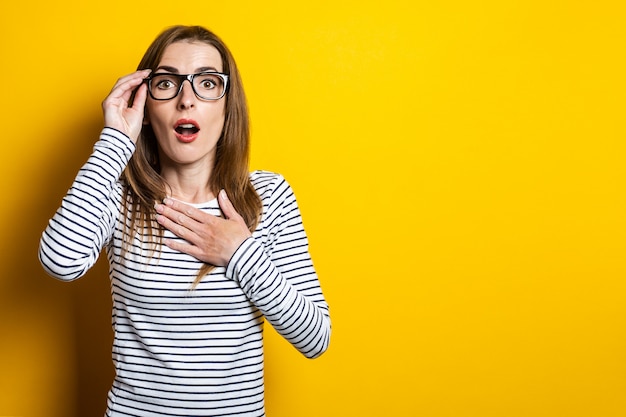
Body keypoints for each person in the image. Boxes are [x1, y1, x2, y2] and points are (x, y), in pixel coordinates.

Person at [38, 25, 331, 417]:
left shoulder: (268, 196)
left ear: (228, 108)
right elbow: (59, 262)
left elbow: (315, 337)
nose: (186, 100)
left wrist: (240, 252)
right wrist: (114, 141)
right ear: (144, 106)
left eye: (207, 83)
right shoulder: (119, 195)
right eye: (167, 83)